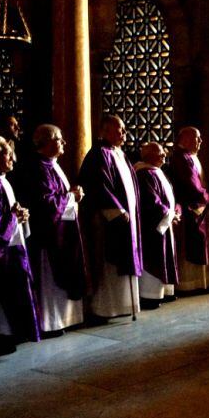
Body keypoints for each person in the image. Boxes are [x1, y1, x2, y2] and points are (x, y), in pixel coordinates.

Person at [0, 137, 41, 354]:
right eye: (6, 153)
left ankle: (13, 331)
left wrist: (21, 215)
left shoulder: (3, 180)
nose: (12, 157)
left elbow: (9, 212)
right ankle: (0, 336)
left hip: (12, 246)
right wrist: (14, 217)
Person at [23, 124, 87, 336]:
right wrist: (71, 197)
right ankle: (52, 323)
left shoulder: (53, 165)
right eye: (59, 139)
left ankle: (68, 318)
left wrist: (71, 194)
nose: (64, 143)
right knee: (50, 277)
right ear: (46, 142)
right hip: (50, 236)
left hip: (65, 229)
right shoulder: (37, 168)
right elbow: (45, 203)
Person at [78, 115, 142, 321]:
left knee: (125, 261)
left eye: (124, 130)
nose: (124, 134)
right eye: (119, 129)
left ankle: (124, 305)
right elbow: (98, 186)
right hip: (110, 220)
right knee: (110, 262)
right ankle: (104, 307)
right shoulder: (99, 154)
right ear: (104, 131)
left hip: (127, 218)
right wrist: (117, 210)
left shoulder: (121, 154)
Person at [168, 126, 209, 291]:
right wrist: (208, 197)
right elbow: (191, 184)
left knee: (199, 245)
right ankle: (189, 284)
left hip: (198, 207)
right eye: (197, 138)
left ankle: (199, 282)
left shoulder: (190, 156)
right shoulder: (181, 158)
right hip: (190, 207)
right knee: (190, 247)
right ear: (185, 139)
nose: (201, 141)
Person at [135, 142, 179, 309]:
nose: (163, 156)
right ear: (147, 155)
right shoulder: (144, 174)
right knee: (154, 257)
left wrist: (174, 211)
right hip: (152, 226)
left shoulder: (156, 171)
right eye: (159, 153)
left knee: (165, 255)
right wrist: (169, 214)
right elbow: (151, 201)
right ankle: (149, 296)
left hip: (165, 222)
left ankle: (163, 292)